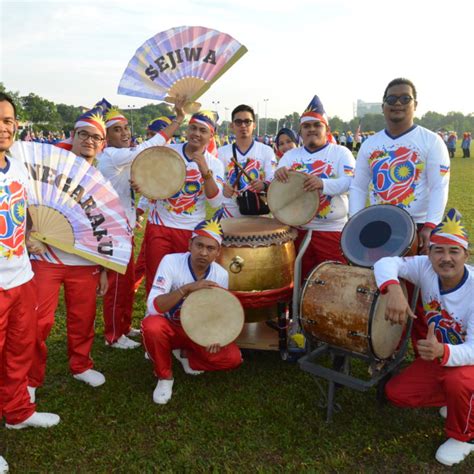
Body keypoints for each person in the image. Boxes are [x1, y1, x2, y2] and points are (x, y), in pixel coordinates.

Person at [349, 77, 451, 347]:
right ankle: (383, 347)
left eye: (405, 98)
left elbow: (439, 187)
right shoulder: (370, 144)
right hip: (378, 228)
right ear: (383, 107)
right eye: (391, 99)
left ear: (415, 105)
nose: (398, 104)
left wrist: (430, 226)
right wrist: (354, 226)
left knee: (421, 294)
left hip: (416, 228)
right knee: (380, 285)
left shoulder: (431, 141)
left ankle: (423, 350)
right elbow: (358, 187)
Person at [27, 101, 117, 397]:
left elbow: (106, 231)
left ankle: (81, 364)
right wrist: (30, 232)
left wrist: (104, 269)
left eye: (95, 137)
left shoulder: (103, 182)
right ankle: (29, 379)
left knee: (84, 317)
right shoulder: (46, 170)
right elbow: (25, 201)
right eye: (83, 135)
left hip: (84, 262)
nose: (89, 141)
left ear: (102, 144)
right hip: (46, 258)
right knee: (38, 321)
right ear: (73, 136)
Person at [373, 208, 474, 467]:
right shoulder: (424, 267)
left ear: (466, 254)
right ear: (428, 253)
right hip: (441, 356)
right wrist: (392, 289)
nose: (446, 258)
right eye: (438, 250)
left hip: (465, 359)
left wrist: (443, 352)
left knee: (459, 381)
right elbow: (385, 262)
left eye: (454, 251)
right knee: (397, 393)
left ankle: (464, 436)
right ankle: (458, 400)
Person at [97, 105, 184, 349]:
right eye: (117, 130)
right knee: (116, 285)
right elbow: (146, 150)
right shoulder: (112, 155)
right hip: (113, 230)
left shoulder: (117, 156)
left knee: (125, 284)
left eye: (126, 128)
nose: (124, 133)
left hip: (123, 226)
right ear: (106, 137)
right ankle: (113, 335)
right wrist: (176, 122)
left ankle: (123, 327)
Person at [0, 93, 60, 433]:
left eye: (7, 121)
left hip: (21, 276)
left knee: (19, 351)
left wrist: (30, 233)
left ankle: (18, 410)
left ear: (16, 126)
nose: (2, 128)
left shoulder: (18, 167)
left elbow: (23, 216)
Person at [141, 213, 243, 404]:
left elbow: (220, 314)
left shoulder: (220, 274)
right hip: (170, 326)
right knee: (152, 326)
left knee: (233, 358)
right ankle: (165, 377)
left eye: (210, 248)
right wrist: (185, 289)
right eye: (199, 245)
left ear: (218, 252)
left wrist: (216, 336)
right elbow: (154, 307)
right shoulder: (170, 262)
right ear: (189, 245)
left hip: (198, 331)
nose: (204, 253)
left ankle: (185, 354)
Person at [274, 95, 356, 279]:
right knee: (298, 281)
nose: (311, 129)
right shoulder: (290, 156)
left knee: (334, 282)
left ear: (326, 129)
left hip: (331, 230)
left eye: (316, 125)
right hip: (298, 231)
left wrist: (323, 183)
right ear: (300, 131)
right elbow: (279, 186)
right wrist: (278, 176)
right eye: (306, 126)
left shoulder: (341, 152)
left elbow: (351, 182)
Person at [143, 111, 224, 295]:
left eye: (203, 130)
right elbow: (150, 179)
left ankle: (179, 321)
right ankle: (153, 318)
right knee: (156, 277)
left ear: (211, 135)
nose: (196, 133)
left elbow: (215, 200)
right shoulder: (169, 152)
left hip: (190, 230)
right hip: (160, 224)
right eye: (193, 128)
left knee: (185, 280)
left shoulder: (215, 163)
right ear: (187, 130)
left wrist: (205, 171)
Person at [217, 104, 275, 218]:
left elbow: (273, 177)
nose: (243, 125)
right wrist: (223, 188)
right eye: (238, 122)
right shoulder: (221, 152)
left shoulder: (266, 150)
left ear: (254, 125)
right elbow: (216, 180)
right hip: (230, 212)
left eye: (247, 121)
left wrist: (264, 185)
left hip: (259, 211)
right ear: (231, 126)